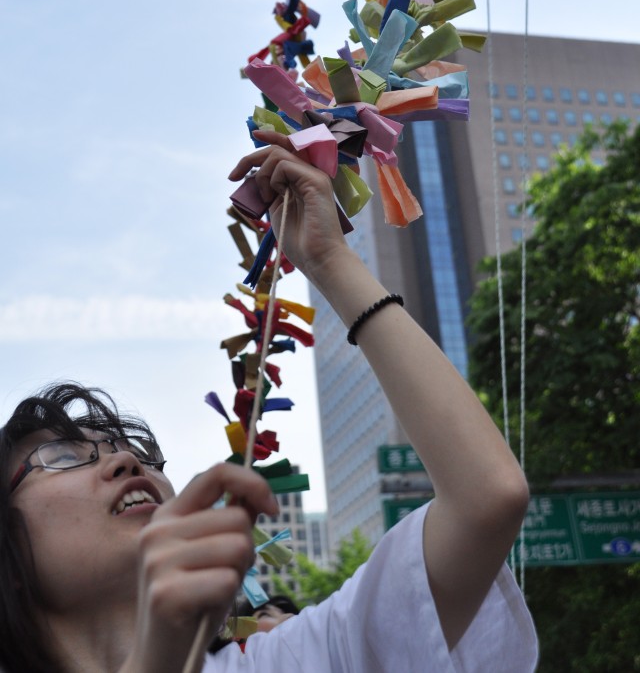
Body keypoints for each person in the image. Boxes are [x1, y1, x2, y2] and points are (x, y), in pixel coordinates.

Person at [0, 134, 538, 672]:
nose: (126, 461)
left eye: (132, 449)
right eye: (65, 458)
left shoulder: (290, 660)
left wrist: (328, 261)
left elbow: (487, 498)